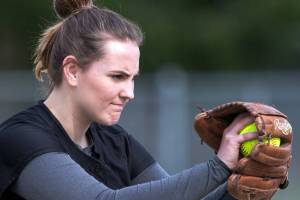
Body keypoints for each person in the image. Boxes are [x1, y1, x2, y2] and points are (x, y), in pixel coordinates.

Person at [0, 0, 257, 199]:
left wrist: (242, 180)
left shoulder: (113, 139)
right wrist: (218, 168)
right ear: (72, 71)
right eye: (117, 76)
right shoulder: (20, 138)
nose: (129, 92)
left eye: (132, 78)